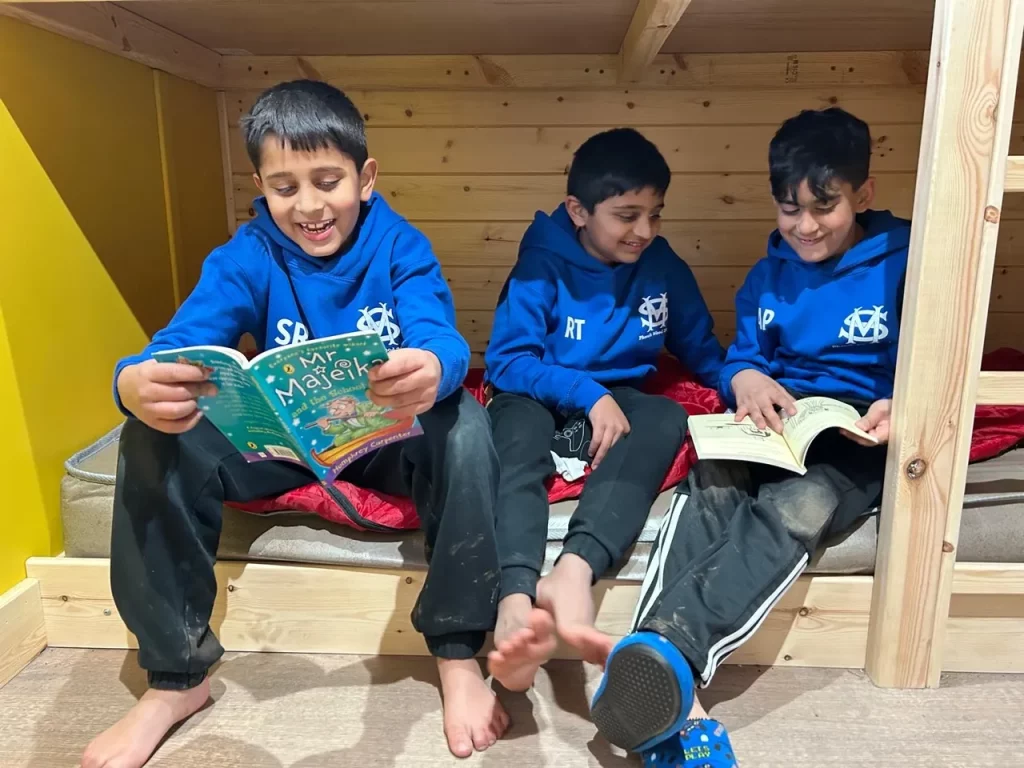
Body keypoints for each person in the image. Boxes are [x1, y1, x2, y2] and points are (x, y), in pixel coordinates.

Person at [82, 79, 506, 768]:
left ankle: (457, 652)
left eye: (328, 180)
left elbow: (441, 332)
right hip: (280, 444)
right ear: (259, 185)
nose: (308, 206)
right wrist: (132, 382)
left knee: (465, 427)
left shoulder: (402, 245)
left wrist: (433, 364)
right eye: (284, 188)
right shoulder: (247, 254)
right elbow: (176, 343)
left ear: (365, 179)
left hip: (382, 441)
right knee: (150, 432)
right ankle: (175, 678)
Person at [559, 107, 909, 767]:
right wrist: (745, 376)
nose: (805, 226)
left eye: (824, 206)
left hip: (854, 432)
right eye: (788, 209)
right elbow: (738, 357)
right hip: (776, 419)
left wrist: (904, 402)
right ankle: (666, 691)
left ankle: (667, 654)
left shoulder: (905, 261)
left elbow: (940, 351)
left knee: (794, 510)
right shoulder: (767, 276)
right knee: (710, 484)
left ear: (862, 195)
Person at [483, 128, 726, 693]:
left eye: (656, 215)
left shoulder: (662, 266)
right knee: (513, 441)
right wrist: (590, 395)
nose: (644, 231)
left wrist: (746, 379)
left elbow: (702, 352)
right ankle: (514, 601)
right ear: (579, 211)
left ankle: (574, 572)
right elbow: (506, 361)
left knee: (667, 416)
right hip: (537, 391)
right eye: (626, 215)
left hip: (622, 398)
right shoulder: (540, 268)